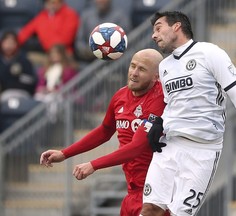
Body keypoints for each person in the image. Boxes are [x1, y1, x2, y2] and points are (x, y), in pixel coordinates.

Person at [140, 11, 236, 216]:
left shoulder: (209, 53)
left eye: (158, 28)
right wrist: (159, 124)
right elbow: (171, 103)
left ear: (176, 26)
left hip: (203, 150)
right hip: (170, 146)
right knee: (149, 209)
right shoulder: (164, 67)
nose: (154, 35)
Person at [40, 49, 170, 216]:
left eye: (142, 69)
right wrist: (64, 153)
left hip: (156, 195)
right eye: (132, 66)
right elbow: (104, 131)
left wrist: (93, 165)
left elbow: (137, 147)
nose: (134, 73)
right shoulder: (120, 96)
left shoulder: (160, 99)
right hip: (132, 194)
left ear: (156, 77)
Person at [0, 30, 37, 99]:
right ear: (1, 43)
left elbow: (31, 81)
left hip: (22, 94)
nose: (9, 46)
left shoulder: (24, 61)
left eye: (12, 43)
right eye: (6, 43)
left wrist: (10, 82)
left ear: (16, 44)